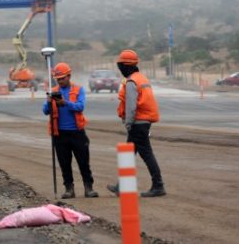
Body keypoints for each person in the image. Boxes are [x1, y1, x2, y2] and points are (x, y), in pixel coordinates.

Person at [107, 49, 166, 197]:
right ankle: (121, 186)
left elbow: (131, 106)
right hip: (143, 122)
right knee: (129, 153)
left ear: (126, 66)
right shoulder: (142, 78)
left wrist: (128, 123)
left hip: (138, 123)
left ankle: (158, 186)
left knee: (146, 154)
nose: (120, 70)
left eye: (120, 67)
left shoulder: (132, 81)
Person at [42, 62, 99, 199]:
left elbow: (80, 106)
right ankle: (69, 189)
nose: (60, 81)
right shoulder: (53, 91)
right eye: (58, 79)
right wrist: (50, 102)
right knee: (64, 163)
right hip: (59, 134)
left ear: (69, 76)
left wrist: (65, 103)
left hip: (77, 133)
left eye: (63, 78)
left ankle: (88, 188)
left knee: (83, 162)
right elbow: (45, 111)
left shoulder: (79, 90)